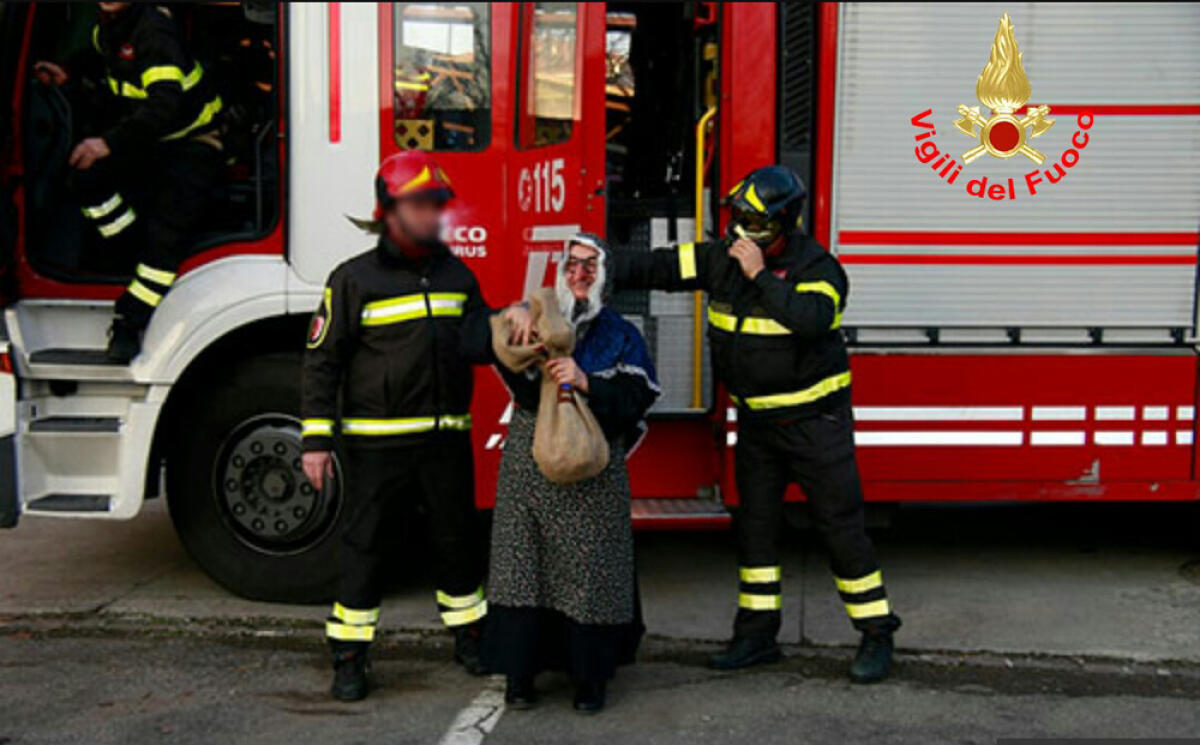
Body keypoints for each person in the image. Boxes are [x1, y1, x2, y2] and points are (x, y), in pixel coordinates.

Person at [610, 165, 902, 683]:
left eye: (752, 222)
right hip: (757, 427)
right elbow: (654, 266)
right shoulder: (722, 258)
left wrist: (759, 277)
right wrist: (592, 259)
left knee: (841, 531)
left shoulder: (820, 270)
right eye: (737, 219)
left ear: (782, 224)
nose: (739, 231)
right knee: (756, 533)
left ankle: (877, 633)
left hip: (816, 426)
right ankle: (756, 635)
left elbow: (812, 320)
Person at [300, 150, 525, 702]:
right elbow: (321, 361)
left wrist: (508, 323)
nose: (433, 216)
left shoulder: (454, 273)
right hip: (378, 444)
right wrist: (315, 442)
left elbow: (477, 342)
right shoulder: (353, 280)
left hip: (445, 440)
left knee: (457, 543)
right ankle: (350, 656)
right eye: (421, 205)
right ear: (388, 211)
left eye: (437, 205)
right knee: (366, 548)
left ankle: (471, 638)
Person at [480, 233, 659, 714]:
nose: (579, 274)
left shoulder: (623, 334)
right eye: (572, 265)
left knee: (591, 574)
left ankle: (589, 679)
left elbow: (638, 397)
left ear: (604, 277)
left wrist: (587, 382)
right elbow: (484, 348)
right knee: (522, 569)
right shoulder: (534, 319)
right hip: (528, 468)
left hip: (591, 472)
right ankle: (519, 676)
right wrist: (505, 318)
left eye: (590, 267)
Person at [35, 2, 225, 362]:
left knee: (163, 241)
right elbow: (98, 56)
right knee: (85, 177)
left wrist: (107, 143)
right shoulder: (109, 25)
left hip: (194, 142)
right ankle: (130, 251)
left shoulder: (153, 30)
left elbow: (163, 106)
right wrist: (66, 70)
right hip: (151, 140)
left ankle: (129, 321)